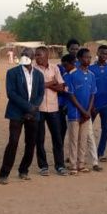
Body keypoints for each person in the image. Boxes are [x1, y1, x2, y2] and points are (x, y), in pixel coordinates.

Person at [0, 48, 45, 184]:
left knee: (31, 143)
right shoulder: (12, 73)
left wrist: (33, 109)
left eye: (28, 55)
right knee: (13, 142)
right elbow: (11, 93)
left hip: (33, 113)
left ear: (33, 58)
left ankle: (24, 170)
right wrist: (28, 107)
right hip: (16, 112)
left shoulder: (39, 75)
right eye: (23, 55)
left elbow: (40, 94)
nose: (25, 57)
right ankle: (4, 173)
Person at [33, 46, 67, 176]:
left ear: (47, 56)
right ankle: (43, 166)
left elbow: (62, 87)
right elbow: (34, 88)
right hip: (39, 108)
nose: (37, 57)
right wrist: (50, 83)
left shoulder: (55, 68)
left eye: (39, 55)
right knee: (39, 138)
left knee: (57, 138)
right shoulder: (33, 69)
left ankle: (60, 165)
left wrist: (46, 85)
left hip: (53, 108)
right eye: (36, 55)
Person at [65, 49, 100, 173]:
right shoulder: (72, 74)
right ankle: (73, 165)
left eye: (89, 57)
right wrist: (82, 110)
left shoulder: (91, 75)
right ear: (79, 59)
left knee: (84, 139)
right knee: (74, 139)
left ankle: (81, 163)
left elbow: (92, 94)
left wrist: (88, 111)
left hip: (86, 113)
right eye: (85, 57)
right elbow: (71, 95)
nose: (88, 60)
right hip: (75, 112)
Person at [89, 45, 107, 162]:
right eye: (102, 53)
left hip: (106, 103)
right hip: (92, 105)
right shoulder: (91, 68)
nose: (104, 56)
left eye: (106, 54)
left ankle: (100, 152)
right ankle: (81, 152)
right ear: (97, 53)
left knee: (105, 129)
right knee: (86, 129)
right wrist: (91, 104)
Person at [57, 39, 82, 144]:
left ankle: (74, 155)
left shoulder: (81, 65)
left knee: (77, 130)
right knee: (62, 129)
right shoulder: (61, 66)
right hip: (63, 102)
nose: (75, 51)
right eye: (72, 49)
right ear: (68, 49)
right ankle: (60, 153)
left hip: (77, 101)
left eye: (77, 49)